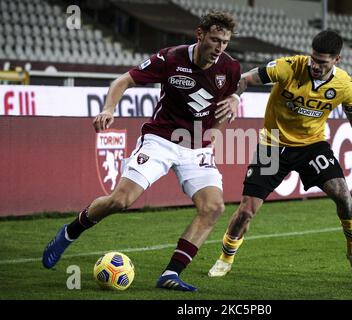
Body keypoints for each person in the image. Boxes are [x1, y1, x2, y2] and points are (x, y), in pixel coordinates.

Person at [42, 11, 241, 292]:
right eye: (215, 39)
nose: (219, 48)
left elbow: (228, 100)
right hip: (159, 141)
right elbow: (123, 81)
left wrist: (231, 104)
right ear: (200, 34)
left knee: (213, 207)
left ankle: (170, 273)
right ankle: (69, 232)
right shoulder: (170, 58)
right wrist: (108, 109)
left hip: (197, 149)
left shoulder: (229, 68)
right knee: (120, 201)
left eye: (225, 42)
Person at [209, 30, 352, 280]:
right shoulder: (288, 67)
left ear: (337, 60)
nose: (315, 65)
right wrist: (236, 96)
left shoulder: (345, 86)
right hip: (272, 144)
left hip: (311, 146)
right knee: (247, 210)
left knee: (343, 196)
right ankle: (225, 259)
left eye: (322, 62)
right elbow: (246, 79)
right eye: (314, 58)